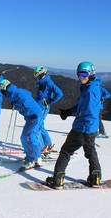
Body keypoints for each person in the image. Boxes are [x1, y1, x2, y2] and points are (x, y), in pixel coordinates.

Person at [46, 61, 102, 189]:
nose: (80, 77)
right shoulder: (91, 86)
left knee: (66, 152)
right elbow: (83, 107)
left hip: (83, 128)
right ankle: (95, 178)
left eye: (83, 74)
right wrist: (69, 111)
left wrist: (84, 130)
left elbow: (90, 112)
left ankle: (57, 180)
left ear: (91, 73)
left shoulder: (90, 91)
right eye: (79, 74)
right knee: (91, 152)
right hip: (91, 128)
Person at [0, 79, 43, 169]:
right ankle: (37, 157)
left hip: (33, 116)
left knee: (26, 137)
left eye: (2, 89)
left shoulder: (16, 94)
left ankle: (31, 159)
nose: (2, 92)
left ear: (5, 87)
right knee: (31, 136)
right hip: (34, 115)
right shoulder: (14, 92)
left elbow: (25, 100)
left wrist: (19, 106)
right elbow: (28, 93)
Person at [34, 66, 63, 152]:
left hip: (43, 108)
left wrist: (50, 101)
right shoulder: (41, 82)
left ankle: (42, 147)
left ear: (42, 74)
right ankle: (48, 145)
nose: (36, 76)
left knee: (36, 127)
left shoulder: (48, 83)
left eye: (37, 74)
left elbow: (60, 93)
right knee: (40, 126)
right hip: (39, 106)